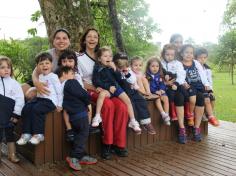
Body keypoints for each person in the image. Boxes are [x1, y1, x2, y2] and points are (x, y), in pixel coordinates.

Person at [77, 27, 129, 160]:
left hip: (108, 89)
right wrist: (96, 88)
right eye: (89, 36)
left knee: (122, 107)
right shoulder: (79, 57)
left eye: (95, 36)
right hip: (91, 90)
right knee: (108, 105)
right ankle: (107, 143)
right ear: (84, 40)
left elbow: (115, 75)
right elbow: (79, 80)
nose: (92, 39)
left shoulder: (104, 55)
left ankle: (119, 144)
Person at [92, 47, 141, 134]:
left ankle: (133, 121)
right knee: (102, 95)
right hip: (107, 89)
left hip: (116, 88)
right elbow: (96, 81)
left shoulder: (112, 67)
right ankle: (97, 116)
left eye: (110, 56)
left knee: (128, 101)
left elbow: (118, 79)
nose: (108, 58)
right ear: (99, 58)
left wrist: (115, 70)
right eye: (105, 56)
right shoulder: (97, 68)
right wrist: (107, 87)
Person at [17, 52, 63, 145]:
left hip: (50, 101)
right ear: (37, 66)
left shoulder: (53, 77)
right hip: (40, 99)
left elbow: (60, 91)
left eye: (47, 63)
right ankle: (26, 133)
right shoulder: (40, 77)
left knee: (36, 109)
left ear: (51, 64)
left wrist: (60, 104)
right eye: (41, 64)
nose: (44, 66)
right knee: (27, 107)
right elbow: (39, 90)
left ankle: (38, 134)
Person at [56, 66, 97, 171]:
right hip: (81, 114)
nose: (74, 75)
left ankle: (81, 156)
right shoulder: (71, 82)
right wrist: (87, 97)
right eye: (72, 73)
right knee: (83, 134)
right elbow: (82, 93)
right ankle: (74, 157)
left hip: (72, 117)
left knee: (79, 136)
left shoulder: (60, 88)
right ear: (65, 74)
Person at [57, 49, 98, 142]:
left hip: (79, 98)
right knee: (66, 110)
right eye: (64, 61)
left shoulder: (77, 75)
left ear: (75, 63)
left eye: (70, 61)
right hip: (67, 98)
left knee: (89, 105)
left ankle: (88, 125)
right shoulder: (60, 74)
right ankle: (69, 129)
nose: (67, 63)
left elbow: (81, 86)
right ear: (60, 63)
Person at [113, 53, 156, 135]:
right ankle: (134, 124)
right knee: (132, 104)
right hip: (122, 93)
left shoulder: (128, 71)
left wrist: (127, 74)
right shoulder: (115, 71)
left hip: (131, 91)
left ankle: (145, 122)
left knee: (141, 101)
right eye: (120, 63)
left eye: (124, 63)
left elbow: (132, 80)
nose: (122, 65)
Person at [22, 28, 71, 100]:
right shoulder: (48, 54)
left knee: (30, 93)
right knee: (19, 89)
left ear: (69, 41)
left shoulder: (73, 56)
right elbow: (36, 71)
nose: (61, 41)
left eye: (64, 38)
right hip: (41, 79)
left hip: (53, 84)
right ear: (53, 41)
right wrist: (37, 83)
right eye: (58, 38)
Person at [180, 44, 210, 142]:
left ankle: (196, 129)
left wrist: (206, 83)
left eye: (191, 53)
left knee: (202, 98)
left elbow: (202, 73)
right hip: (188, 86)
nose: (189, 55)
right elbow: (179, 75)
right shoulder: (179, 64)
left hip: (198, 85)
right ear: (181, 53)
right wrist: (184, 83)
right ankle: (190, 114)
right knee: (193, 99)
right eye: (187, 52)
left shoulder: (196, 62)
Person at [160, 44, 187, 143]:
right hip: (164, 87)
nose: (169, 57)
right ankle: (173, 114)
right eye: (167, 54)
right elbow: (156, 76)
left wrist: (175, 83)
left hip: (176, 85)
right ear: (163, 54)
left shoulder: (177, 63)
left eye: (172, 55)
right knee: (172, 95)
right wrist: (165, 83)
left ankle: (182, 128)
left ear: (175, 55)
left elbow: (181, 74)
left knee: (180, 97)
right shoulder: (160, 63)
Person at [0, 56, 24, 163]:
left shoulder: (15, 84)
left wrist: (16, 114)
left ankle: (12, 154)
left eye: (8, 67)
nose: (6, 70)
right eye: (2, 67)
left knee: (10, 134)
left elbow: (20, 99)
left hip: (10, 114)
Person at [195, 47, 219, 126]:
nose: (202, 59)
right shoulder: (194, 68)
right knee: (206, 99)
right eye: (200, 57)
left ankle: (208, 114)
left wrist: (210, 90)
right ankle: (206, 115)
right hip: (198, 88)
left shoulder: (207, 70)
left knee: (212, 97)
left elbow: (210, 81)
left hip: (207, 88)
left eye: (204, 58)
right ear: (196, 58)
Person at [145, 57, 171, 126]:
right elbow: (148, 86)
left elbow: (162, 84)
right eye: (152, 66)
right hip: (153, 93)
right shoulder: (147, 76)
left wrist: (162, 89)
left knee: (166, 98)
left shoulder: (160, 75)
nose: (155, 68)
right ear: (148, 67)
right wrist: (155, 91)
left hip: (160, 91)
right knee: (157, 99)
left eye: (157, 66)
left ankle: (166, 114)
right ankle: (162, 113)